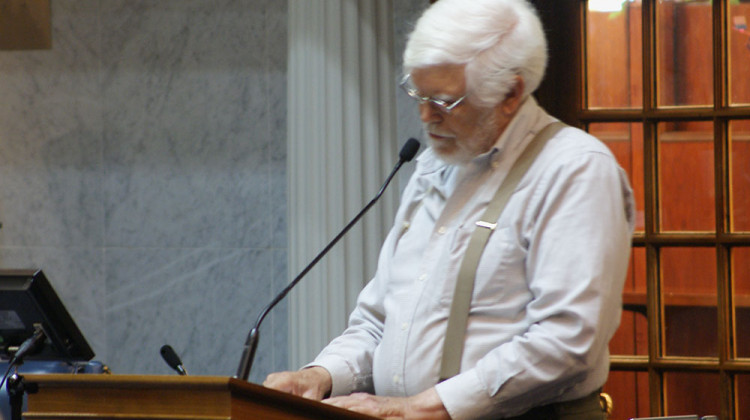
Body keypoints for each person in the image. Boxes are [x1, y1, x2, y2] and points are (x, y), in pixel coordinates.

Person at [264, 0, 635, 418]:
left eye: (445, 102)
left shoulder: (573, 169)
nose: (425, 117)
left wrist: (424, 408)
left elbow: (567, 342)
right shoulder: (434, 165)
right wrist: (321, 376)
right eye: (416, 93)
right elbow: (380, 321)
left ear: (511, 93)